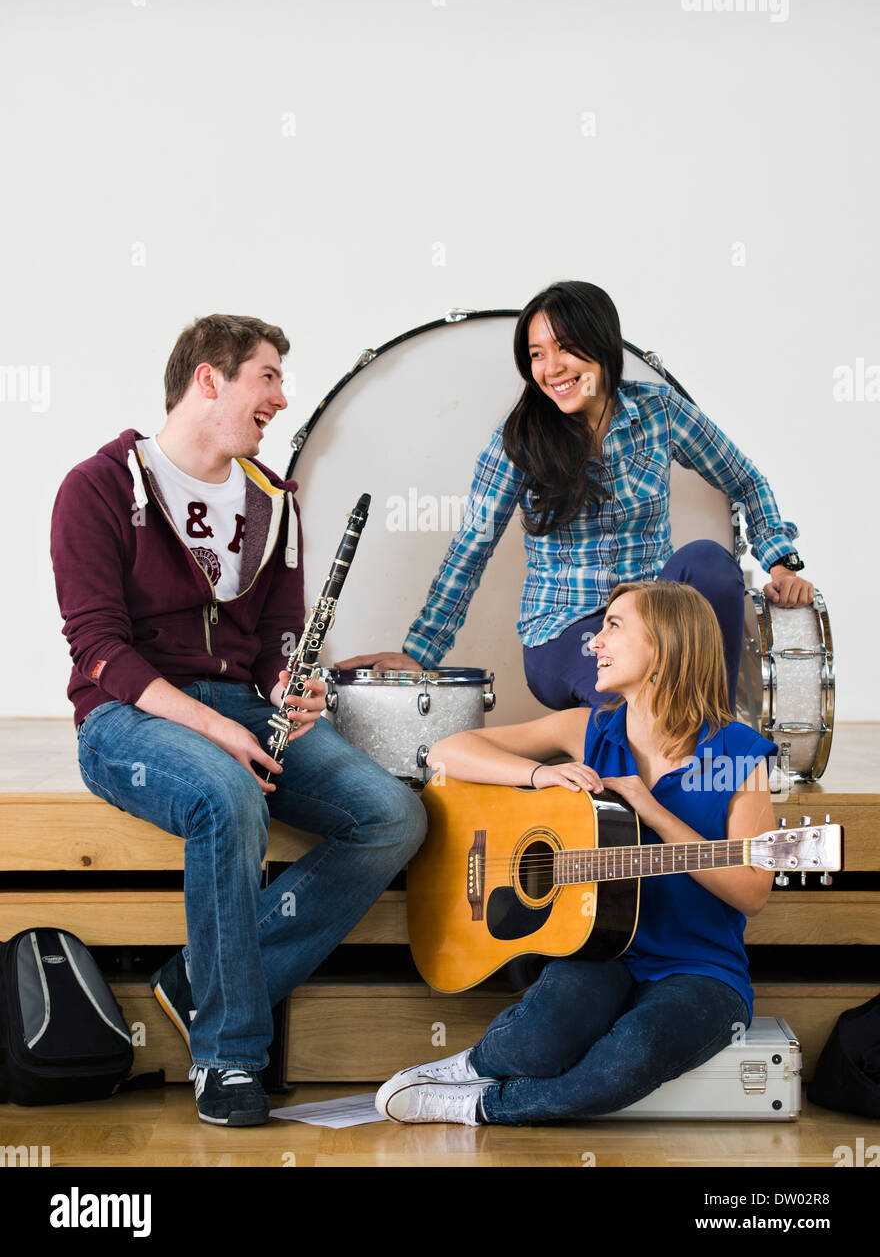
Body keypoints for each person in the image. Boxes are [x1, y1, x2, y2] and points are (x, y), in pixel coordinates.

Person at [50, 314, 426, 1127]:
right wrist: (216, 728)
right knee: (226, 796)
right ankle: (225, 1055)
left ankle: (198, 980)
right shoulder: (98, 486)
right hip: (128, 717)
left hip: (246, 711)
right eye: (268, 376)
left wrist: (297, 686)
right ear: (208, 379)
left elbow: (276, 647)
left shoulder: (273, 501)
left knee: (393, 816)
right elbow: (97, 648)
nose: (283, 399)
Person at [376, 579, 777, 1126]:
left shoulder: (740, 753)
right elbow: (446, 751)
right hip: (601, 949)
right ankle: (479, 1063)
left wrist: (653, 810)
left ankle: (481, 1106)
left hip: (703, 971)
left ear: (666, 644)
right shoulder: (587, 728)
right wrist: (539, 774)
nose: (593, 642)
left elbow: (753, 891)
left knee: (630, 1056)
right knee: (538, 1041)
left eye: (614, 626)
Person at [340, 280, 814, 709]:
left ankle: (716, 732)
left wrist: (780, 560)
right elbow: (471, 548)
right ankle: (644, 753)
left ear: (601, 344)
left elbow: (745, 479)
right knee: (635, 699)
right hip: (566, 630)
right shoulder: (519, 439)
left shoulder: (659, 410)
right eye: (536, 354)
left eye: (564, 348)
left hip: (651, 616)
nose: (551, 369)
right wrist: (419, 654)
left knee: (710, 561)